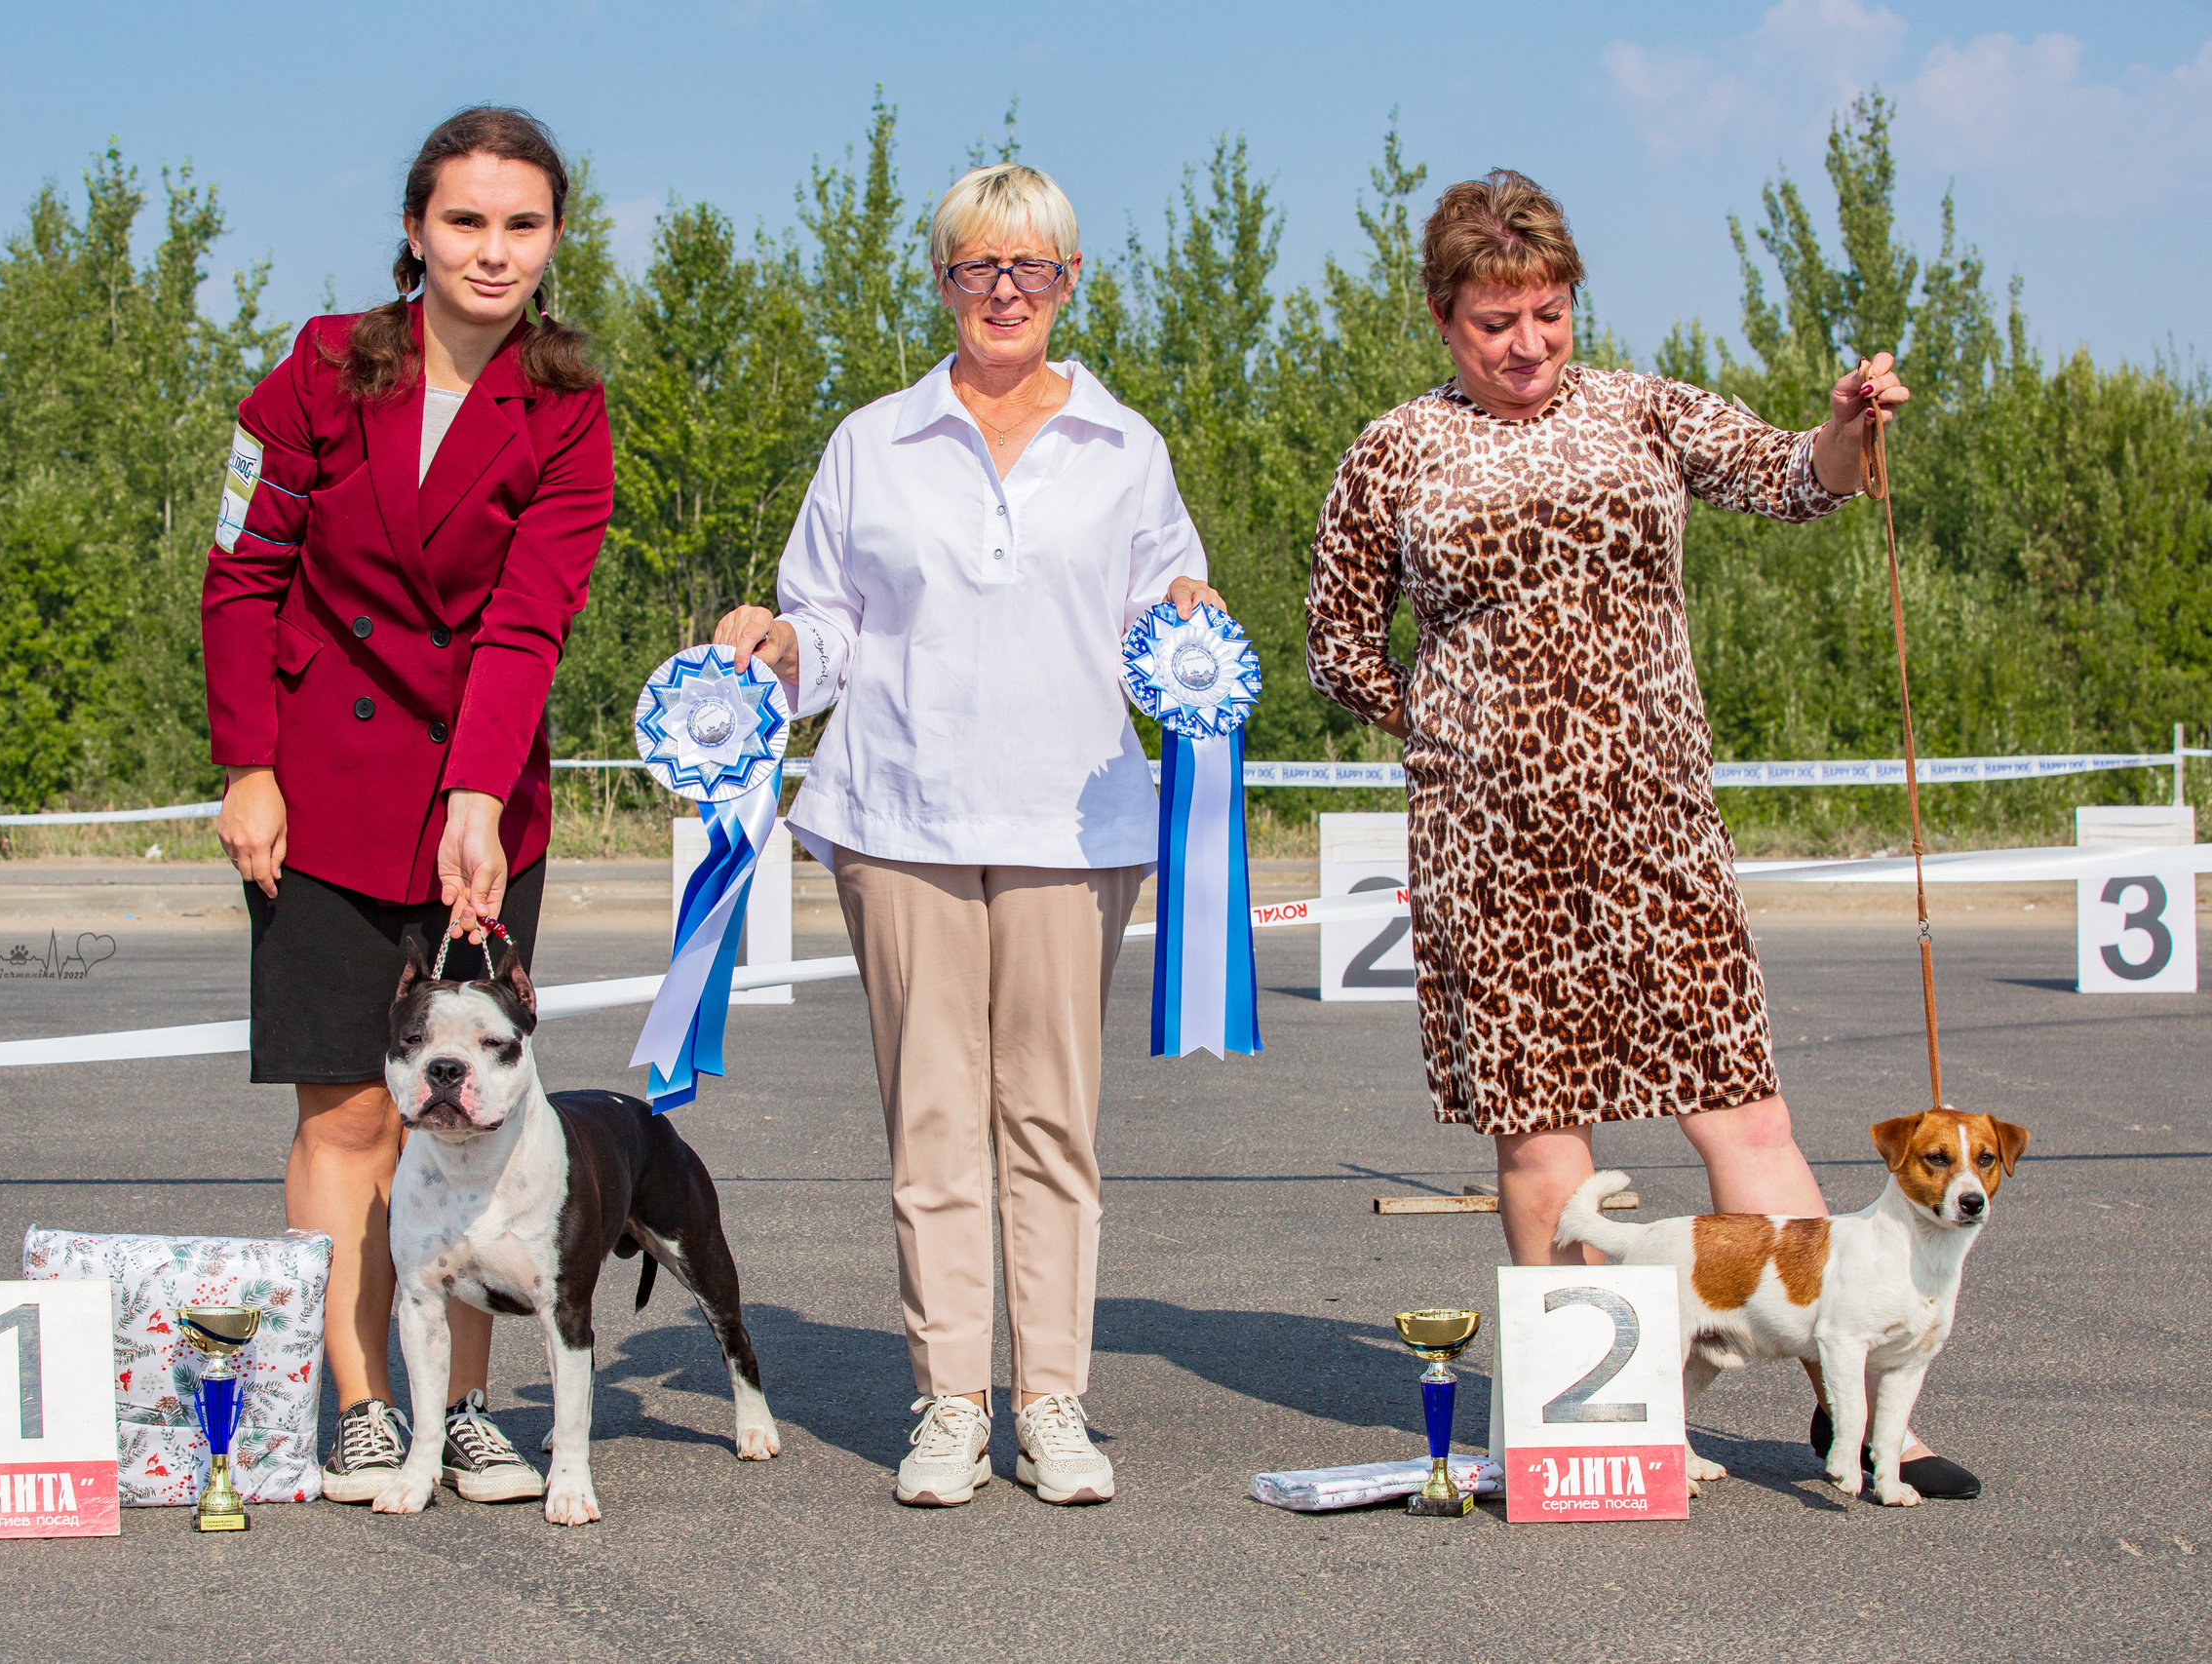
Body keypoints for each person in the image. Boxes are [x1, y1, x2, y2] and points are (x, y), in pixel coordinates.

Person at [1303, 170, 1978, 1498]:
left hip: (1660, 818)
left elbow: (1798, 480)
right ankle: (1580, 1414)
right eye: (1497, 320)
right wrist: (1446, 727)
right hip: (1488, 839)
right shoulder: (1396, 450)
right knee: (1542, 1134)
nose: (1529, 344)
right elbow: (1335, 645)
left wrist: (1846, 426)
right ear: (1445, 318)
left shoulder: (1644, 409)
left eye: (1548, 312)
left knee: (1746, 1117)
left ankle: (1861, 1419)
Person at [713, 163, 1221, 1508]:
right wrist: (772, 653)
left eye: (1032, 268)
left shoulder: (1130, 448)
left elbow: (1162, 630)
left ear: (1068, 282)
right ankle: (949, 1399)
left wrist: (1182, 619)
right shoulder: (871, 443)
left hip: (1075, 818)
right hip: (900, 813)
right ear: (940, 280)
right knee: (932, 1119)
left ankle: (1052, 1400)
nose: (1005, 292)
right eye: (976, 267)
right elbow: (824, 624)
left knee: (1052, 1121)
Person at [204, 106, 613, 1506]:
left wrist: (480, 794)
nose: (492, 251)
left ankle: (469, 1409)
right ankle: (368, 1398)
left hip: (481, 803)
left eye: (522, 224)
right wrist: (246, 761)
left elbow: (527, 620)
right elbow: (240, 575)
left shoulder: (569, 406)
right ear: (414, 228)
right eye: (465, 221)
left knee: (469, 1119)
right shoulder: (320, 367)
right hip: (318, 792)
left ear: (554, 238)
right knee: (349, 1117)